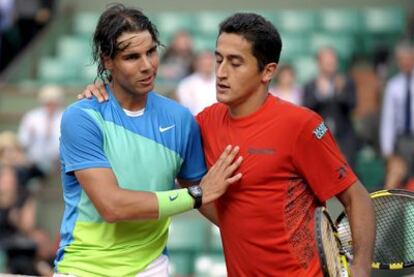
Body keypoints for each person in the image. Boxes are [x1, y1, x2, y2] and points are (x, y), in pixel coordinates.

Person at [82, 12, 375, 277]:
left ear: (268, 71)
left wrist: (360, 269)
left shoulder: (301, 126)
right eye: (218, 59)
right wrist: (104, 89)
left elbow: (355, 198)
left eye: (235, 63)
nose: (221, 72)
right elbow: (187, 177)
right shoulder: (201, 124)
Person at [54, 5, 242, 277]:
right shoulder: (81, 117)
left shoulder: (180, 119)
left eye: (151, 52)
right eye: (132, 57)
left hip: (151, 268)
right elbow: (113, 206)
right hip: (85, 267)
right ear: (107, 61)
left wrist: (259, 235)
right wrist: (196, 195)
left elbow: (207, 198)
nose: (147, 66)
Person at [303, 47, 359, 169]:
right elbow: (307, 109)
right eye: (327, 61)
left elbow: (352, 104)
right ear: (319, 63)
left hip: (344, 135)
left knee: (346, 170)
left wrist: (339, 92)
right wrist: (320, 95)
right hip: (320, 134)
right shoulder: (311, 85)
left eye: (333, 60)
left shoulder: (346, 82)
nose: (331, 64)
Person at [380, 41, 414, 189]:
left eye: (408, 58)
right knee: (395, 174)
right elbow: (388, 119)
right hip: (402, 141)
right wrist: (387, 151)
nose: (405, 62)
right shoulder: (393, 86)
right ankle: (385, 210)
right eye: (402, 59)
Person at [18, 84, 64, 176]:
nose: (51, 106)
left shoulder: (65, 116)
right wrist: (30, 134)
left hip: (60, 164)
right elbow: (22, 142)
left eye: (54, 102)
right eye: (48, 102)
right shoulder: (31, 117)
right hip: (33, 163)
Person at [175, 50, 216, 115]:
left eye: (210, 63)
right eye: (204, 63)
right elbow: (185, 107)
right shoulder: (186, 84)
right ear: (197, 64)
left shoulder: (221, 82)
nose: (207, 66)